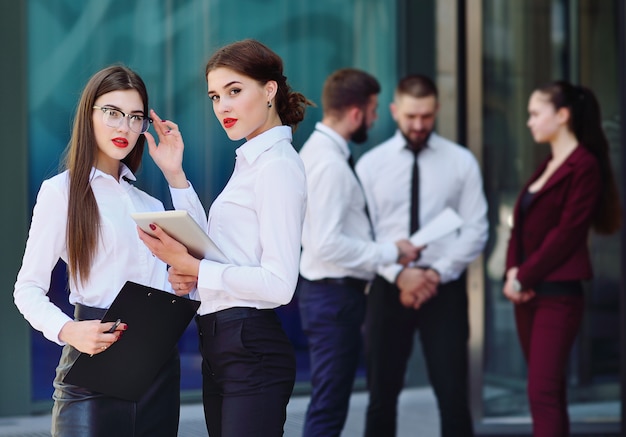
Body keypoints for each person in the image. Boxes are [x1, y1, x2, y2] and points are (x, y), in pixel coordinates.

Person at [137, 39, 313, 437]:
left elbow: (280, 285)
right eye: (216, 96)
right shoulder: (251, 160)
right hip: (220, 345)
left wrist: (196, 269)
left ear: (269, 90)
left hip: (251, 349)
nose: (223, 107)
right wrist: (175, 174)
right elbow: (217, 250)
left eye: (235, 91)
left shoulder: (277, 167)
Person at [13, 65, 181, 436]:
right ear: (88, 114)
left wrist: (176, 176)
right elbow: (26, 289)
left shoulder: (150, 202)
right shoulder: (62, 193)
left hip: (158, 369)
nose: (124, 127)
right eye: (112, 113)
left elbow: (193, 272)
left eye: (135, 117)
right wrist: (68, 330)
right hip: (93, 371)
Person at [356, 74, 488, 437]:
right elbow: (364, 232)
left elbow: (477, 228)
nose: (418, 125)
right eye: (411, 116)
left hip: (442, 288)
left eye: (426, 116)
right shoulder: (371, 165)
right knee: (381, 396)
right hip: (387, 286)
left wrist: (435, 275)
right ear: (396, 111)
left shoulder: (461, 162)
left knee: (453, 395)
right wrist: (399, 275)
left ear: (437, 111)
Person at [297, 68, 420, 437]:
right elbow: (325, 243)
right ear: (355, 112)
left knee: (329, 402)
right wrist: (390, 252)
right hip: (333, 298)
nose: (376, 117)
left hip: (333, 297)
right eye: (373, 109)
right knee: (329, 406)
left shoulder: (324, 153)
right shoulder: (331, 164)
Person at [502, 81, 621, 436]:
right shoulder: (547, 164)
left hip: (557, 294)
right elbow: (518, 226)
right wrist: (513, 272)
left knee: (542, 393)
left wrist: (523, 276)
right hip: (528, 292)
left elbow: (567, 235)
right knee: (546, 392)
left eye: (536, 113)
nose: (529, 122)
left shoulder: (583, 166)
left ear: (563, 115)